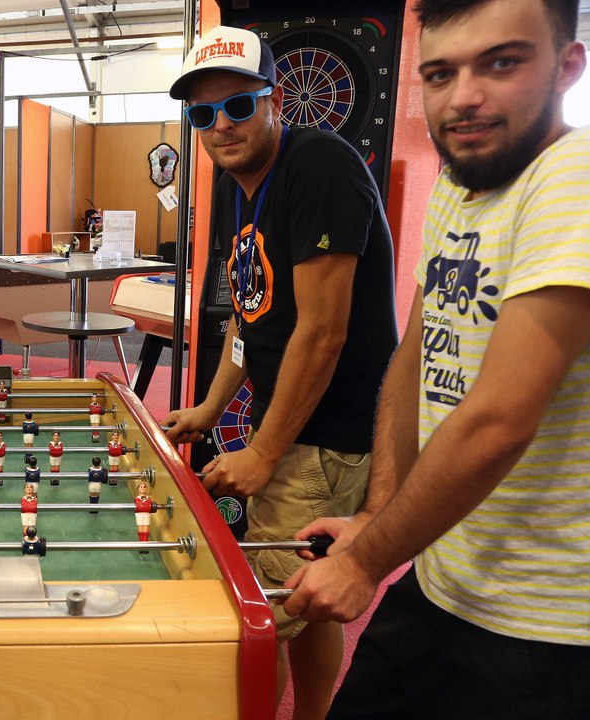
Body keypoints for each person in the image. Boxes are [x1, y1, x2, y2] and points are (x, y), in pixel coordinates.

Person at [283, 1, 590, 717]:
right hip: (443, 577)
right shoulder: (460, 182)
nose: (465, 97)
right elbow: (418, 355)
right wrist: (380, 514)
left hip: (544, 624)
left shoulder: (572, 177)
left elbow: (497, 421)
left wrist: (364, 559)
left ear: (566, 68)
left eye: (501, 62)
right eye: (440, 74)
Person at [164, 24, 398, 719]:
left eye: (237, 105)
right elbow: (250, 309)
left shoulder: (317, 163)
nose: (220, 126)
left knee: (260, 618)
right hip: (298, 428)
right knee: (309, 604)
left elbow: (322, 332)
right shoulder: (242, 184)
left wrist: (265, 450)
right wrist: (211, 408)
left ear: (275, 102)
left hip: (322, 437)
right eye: (202, 114)